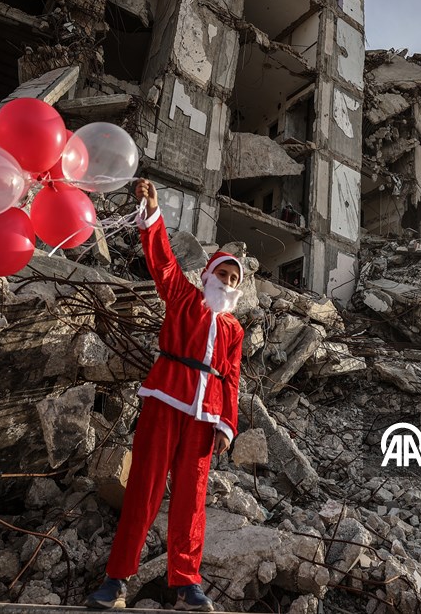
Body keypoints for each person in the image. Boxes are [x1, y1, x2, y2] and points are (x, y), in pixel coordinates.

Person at [86, 178, 244, 612]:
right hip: (165, 399)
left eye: (234, 278)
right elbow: (163, 264)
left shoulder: (234, 329)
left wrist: (227, 426)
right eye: (222, 274)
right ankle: (116, 580)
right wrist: (152, 215)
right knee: (144, 488)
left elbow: (230, 377)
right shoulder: (184, 298)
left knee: (192, 499)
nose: (227, 282)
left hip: (205, 417)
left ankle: (186, 583)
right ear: (208, 274)